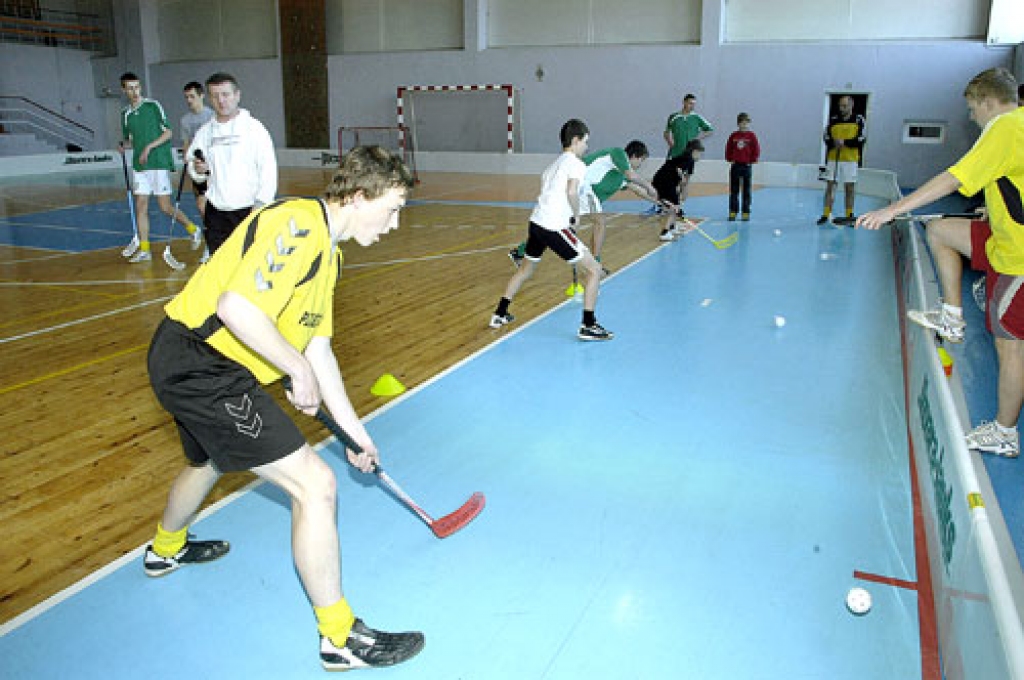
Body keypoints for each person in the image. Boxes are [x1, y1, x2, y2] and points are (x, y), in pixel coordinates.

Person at [144, 146, 425, 671]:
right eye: (391, 209)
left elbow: (319, 349)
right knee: (315, 486)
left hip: (202, 363)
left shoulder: (330, 254)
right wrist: (294, 370)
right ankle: (339, 637)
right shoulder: (298, 225)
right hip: (200, 364)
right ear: (358, 196)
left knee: (206, 462)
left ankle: (165, 548)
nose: (394, 223)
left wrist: (354, 432)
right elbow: (237, 309)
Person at [857, 67, 1024, 459]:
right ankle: (952, 314)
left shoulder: (1003, 127)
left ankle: (1004, 431)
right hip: (1003, 237)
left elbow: (952, 179)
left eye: (971, 108)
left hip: (1018, 258)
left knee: (1011, 346)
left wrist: (892, 210)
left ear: (986, 100)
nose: (971, 117)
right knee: (941, 230)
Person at [490, 119, 613, 341]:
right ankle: (588, 324)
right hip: (554, 226)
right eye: (585, 142)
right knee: (594, 270)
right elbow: (572, 192)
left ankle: (499, 313)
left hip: (536, 223)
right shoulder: (576, 164)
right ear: (575, 141)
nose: (587, 147)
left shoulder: (552, 166)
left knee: (525, 271)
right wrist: (575, 216)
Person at [509, 140, 657, 271]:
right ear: (635, 156)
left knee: (556, 227)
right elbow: (633, 177)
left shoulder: (620, 175)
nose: (641, 164)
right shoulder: (618, 154)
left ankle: (520, 251)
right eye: (641, 160)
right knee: (600, 221)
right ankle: (595, 263)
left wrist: (659, 202)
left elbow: (637, 189)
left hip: (581, 191)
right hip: (582, 184)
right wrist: (649, 186)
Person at [186, 72, 277, 255]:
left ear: (237, 95)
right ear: (210, 99)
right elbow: (193, 165)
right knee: (221, 270)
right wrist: (199, 170)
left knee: (250, 269)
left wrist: (260, 205)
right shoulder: (205, 133)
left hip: (249, 211)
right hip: (216, 215)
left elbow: (268, 170)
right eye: (215, 96)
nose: (221, 101)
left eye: (226, 95)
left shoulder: (254, 129)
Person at [119, 72, 201, 263]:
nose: (135, 91)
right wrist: (124, 146)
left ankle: (193, 229)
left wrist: (149, 147)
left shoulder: (153, 106)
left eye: (137, 87)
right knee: (141, 206)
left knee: (165, 207)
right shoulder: (125, 114)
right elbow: (131, 140)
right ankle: (145, 249)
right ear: (123, 90)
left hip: (157, 162)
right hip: (140, 165)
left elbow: (168, 133)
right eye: (130, 88)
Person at [817, 95, 866, 225]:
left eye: (845, 106)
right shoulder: (833, 120)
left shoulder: (858, 119)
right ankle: (826, 214)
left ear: (851, 105)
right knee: (830, 187)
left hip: (850, 159)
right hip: (833, 159)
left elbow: (861, 139)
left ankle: (849, 215)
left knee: (849, 188)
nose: (842, 108)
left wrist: (846, 142)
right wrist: (834, 142)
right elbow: (826, 136)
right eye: (840, 106)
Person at [652, 139, 703, 241]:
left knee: (677, 203)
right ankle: (665, 233)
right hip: (663, 181)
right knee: (674, 207)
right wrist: (682, 180)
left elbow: (686, 180)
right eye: (700, 153)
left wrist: (683, 193)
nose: (700, 156)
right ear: (694, 151)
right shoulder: (687, 158)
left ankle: (672, 227)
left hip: (669, 182)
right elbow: (679, 170)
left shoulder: (691, 162)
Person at [724, 112, 761, 221]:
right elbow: (728, 148)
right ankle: (733, 211)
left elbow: (756, 149)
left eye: (746, 123)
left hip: (747, 166)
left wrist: (753, 159)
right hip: (735, 165)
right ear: (738, 123)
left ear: (748, 123)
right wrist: (729, 158)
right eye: (742, 123)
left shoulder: (751, 136)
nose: (744, 125)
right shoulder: (733, 136)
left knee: (746, 190)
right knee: (734, 190)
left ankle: (746, 212)